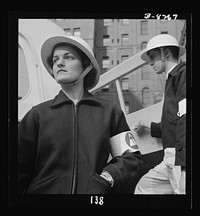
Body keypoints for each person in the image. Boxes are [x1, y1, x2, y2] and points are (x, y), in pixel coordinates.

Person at [18, 35, 142, 194]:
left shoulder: (109, 112)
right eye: (55, 60)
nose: (59, 63)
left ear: (87, 66)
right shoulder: (37, 114)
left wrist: (106, 178)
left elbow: (130, 157)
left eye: (68, 57)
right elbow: (18, 169)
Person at [134, 34, 186, 194]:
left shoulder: (183, 75)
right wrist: (148, 127)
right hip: (169, 158)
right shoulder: (172, 79)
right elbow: (174, 122)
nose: (150, 63)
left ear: (165, 53)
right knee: (143, 188)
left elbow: (187, 120)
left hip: (180, 159)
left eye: (152, 57)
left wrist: (184, 167)